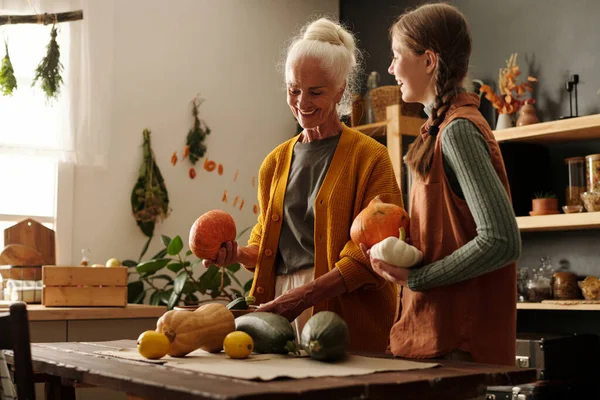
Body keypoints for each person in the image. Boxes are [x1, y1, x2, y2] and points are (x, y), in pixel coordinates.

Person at [203, 17, 402, 353]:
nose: (301, 102)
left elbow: (374, 251)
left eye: (315, 92)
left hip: (342, 306)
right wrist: (236, 254)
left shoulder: (370, 157)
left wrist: (307, 294)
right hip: (281, 303)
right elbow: (266, 247)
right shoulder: (274, 163)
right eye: (293, 90)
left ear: (340, 90)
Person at [362, 3, 521, 366]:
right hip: (438, 339)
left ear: (429, 60)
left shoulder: (458, 131)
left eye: (396, 55)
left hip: (455, 347)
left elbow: (501, 240)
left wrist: (417, 277)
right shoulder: (440, 129)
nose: (390, 68)